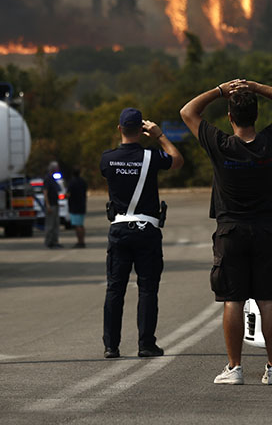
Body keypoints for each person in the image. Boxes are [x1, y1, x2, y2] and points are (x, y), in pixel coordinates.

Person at [180, 79, 272, 386]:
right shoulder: (271, 141)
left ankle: (235, 368)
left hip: (230, 230)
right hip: (265, 229)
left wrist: (221, 90)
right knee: (268, 299)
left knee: (233, 299)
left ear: (230, 117)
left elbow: (188, 111)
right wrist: (257, 87)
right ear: (256, 115)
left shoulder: (220, 144)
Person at [101, 108, 184, 359]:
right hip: (147, 229)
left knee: (115, 289)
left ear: (119, 129)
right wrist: (160, 136)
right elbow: (177, 160)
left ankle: (111, 346)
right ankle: (146, 344)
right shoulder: (151, 156)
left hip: (119, 228)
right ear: (141, 130)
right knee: (147, 289)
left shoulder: (107, 158)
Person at [43, 162, 63, 248]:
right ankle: (49, 242)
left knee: (55, 224)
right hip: (51, 205)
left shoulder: (53, 178)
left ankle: (55, 241)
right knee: (50, 225)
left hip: (55, 204)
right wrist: (47, 205)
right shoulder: (47, 179)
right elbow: (45, 192)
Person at [66, 169, 88, 248]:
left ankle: (80, 241)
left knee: (77, 225)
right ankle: (82, 241)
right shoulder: (83, 181)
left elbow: (68, 194)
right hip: (82, 204)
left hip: (74, 206)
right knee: (81, 224)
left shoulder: (72, 182)